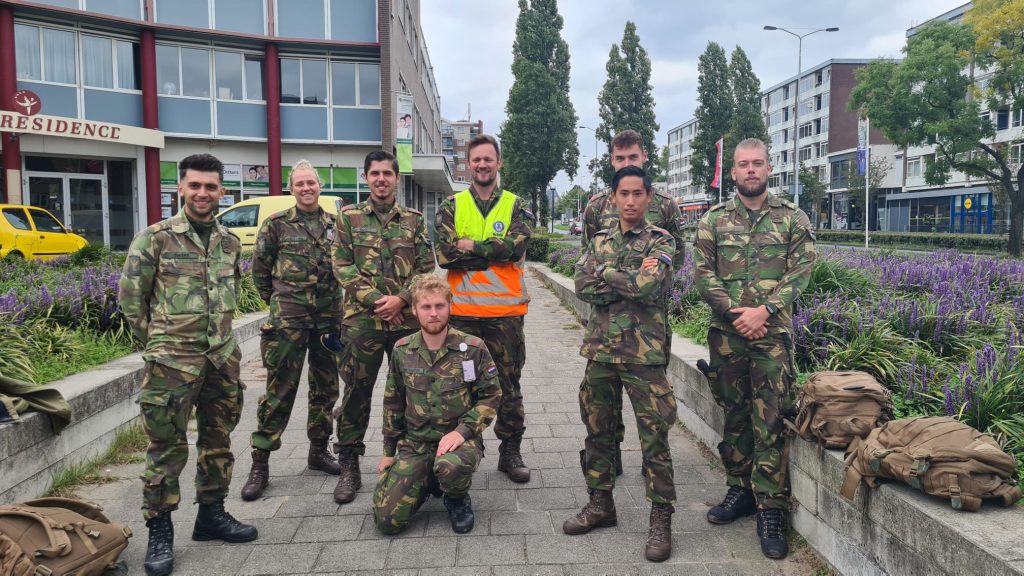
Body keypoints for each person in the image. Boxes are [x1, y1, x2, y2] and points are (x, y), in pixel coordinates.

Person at [119, 153, 257, 576]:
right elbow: (130, 302)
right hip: (170, 367)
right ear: (180, 188)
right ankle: (160, 531)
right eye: (194, 186)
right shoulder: (155, 238)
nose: (203, 194)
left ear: (221, 191)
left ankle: (210, 515)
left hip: (220, 361)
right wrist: (163, 344)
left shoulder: (229, 242)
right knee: (165, 450)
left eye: (211, 187)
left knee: (217, 443)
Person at [693, 138, 816, 560]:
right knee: (736, 414)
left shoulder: (792, 219)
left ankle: (771, 509)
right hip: (726, 334)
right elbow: (702, 274)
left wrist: (764, 310)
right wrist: (734, 314)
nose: (750, 170)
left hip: (772, 335)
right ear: (733, 172)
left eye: (757, 163)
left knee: (771, 418)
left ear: (769, 168)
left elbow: (802, 271)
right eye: (743, 165)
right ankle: (739, 491)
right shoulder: (712, 220)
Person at [565, 165, 677, 562]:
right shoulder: (598, 240)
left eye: (637, 194)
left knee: (654, 438)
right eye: (623, 194)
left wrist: (607, 273)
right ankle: (600, 503)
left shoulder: (661, 241)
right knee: (598, 432)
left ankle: (660, 517)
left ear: (649, 198)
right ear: (613, 198)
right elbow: (582, 284)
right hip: (601, 353)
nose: (630, 201)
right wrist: (622, 280)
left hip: (643, 357)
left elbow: (647, 288)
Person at [331, 150, 435, 504]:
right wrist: (379, 300)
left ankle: (411, 460)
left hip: (405, 321)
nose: (380, 179)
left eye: (386, 174)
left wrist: (403, 300)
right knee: (357, 392)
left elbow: (426, 265)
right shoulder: (348, 219)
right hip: (362, 322)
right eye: (374, 174)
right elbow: (342, 266)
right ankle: (349, 464)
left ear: (396, 178)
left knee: (412, 392)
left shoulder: (414, 220)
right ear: (366, 178)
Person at [580, 129, 684, 477]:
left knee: (650, 405)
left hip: (646, 329)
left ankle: (649, 461)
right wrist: (626, 279)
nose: (627, 163)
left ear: (645, 157)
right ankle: (611, 460)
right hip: (607, 330)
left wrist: (619, 275)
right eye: (620, 159)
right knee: (602, 409)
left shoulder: (665, 206)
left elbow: (673, 261)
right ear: (612, 161)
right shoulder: (596, 207)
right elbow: (585, 266)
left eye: (633, 158)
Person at [240, 159, 342, 502]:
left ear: (320, 185)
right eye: (299, 184)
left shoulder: (336, 225)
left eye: (311, 183)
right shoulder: (276, 225)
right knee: (279, 391)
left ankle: (318, 449)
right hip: (289, 322)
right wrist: (281, 303)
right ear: (291, 187)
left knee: (325, 390)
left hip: (328, 320)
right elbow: (260, 274)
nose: (306, 189)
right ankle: (261, 461)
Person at [434, 133, 533, 483]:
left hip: (505, 318)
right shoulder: (452, 206)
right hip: (462, 317)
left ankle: (510, 452)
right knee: (459, 386)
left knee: (509, 385)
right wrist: (495, 250)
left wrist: (472, 246)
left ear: (498, 163)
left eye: (488, 159)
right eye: (476, 159)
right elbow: (445, 256)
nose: (482, 164)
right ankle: (459, 453)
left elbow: (517, 247)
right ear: (469, 164)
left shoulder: (516, 205)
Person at [373, 274, 501, 535]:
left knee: (449, 466)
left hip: (459, 441)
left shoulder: (473, 348)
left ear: (450, 306)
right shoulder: (402, 349)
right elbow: (393, 403)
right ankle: (427, 479)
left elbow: (491, 396)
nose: (433, 313)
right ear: (415, 310)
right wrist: (388, 452)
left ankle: (455, 497)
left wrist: (462, 431)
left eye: (439, 306)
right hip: (416, 443)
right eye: (426, 307)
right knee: (387, 522)